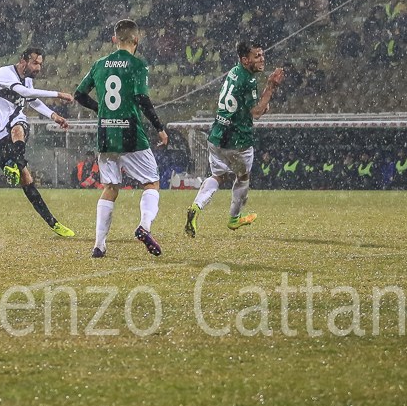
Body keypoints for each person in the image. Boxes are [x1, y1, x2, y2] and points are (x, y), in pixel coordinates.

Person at [74, 19, 168, 258]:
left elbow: (79, 95)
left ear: (114, 39)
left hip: (106, 133)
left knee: (110, 188)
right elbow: (142, 99)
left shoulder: (100, 64)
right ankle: (144, 226)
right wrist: (159, 127)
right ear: (136, 39)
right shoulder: (137, 64)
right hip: (130, 132)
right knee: (151, 183)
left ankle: (99, 245)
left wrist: (101, 109)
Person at [185, 41, 283, 237]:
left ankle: (196, 207)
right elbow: (256, 112)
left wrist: (260, 104)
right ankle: (234, 218)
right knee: (243, 177)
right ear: (245, 60)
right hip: (237, 141)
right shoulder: (249, 80)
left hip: (217, 135)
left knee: (217, 176)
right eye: (257, 56)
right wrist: (270, 87)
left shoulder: (234, 72)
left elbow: (245, 105)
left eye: (262, 54)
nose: (262, 59)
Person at [0, 48, 76, 237]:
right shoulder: (4, 73)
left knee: (19, 126)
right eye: (35, 63)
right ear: (23, 60)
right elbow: (24, 92)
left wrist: (54, 116)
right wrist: (58, 94)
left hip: (14, 128)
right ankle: (13, 164)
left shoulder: (27, 80)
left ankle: (54, 223)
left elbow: (33, 100)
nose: (38, 68)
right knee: (26, 180)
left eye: (40, 64)